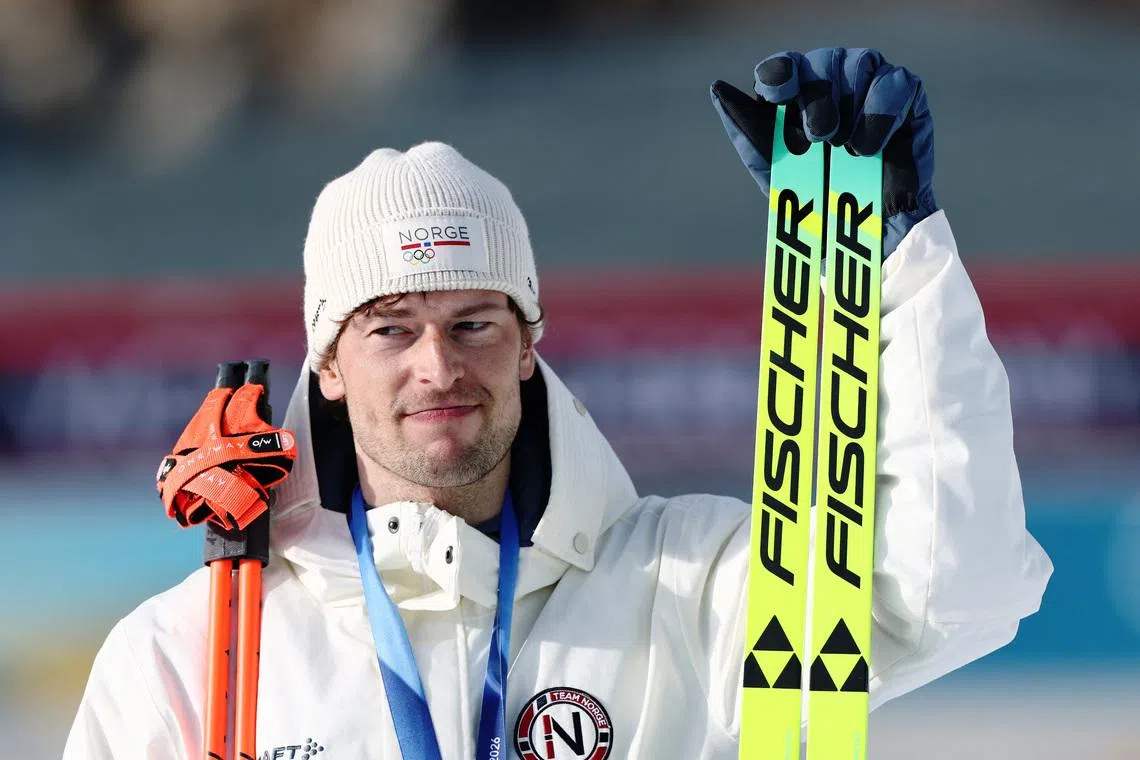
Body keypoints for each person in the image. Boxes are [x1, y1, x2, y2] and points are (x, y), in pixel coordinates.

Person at [64, 48, 1052, 760]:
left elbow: (951, 593)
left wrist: (898, 267)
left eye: (474, 323)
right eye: (391, 330)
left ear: (529, 344)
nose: (438, 365)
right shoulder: (195, 653)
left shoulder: (688, 587)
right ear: (327, 364)